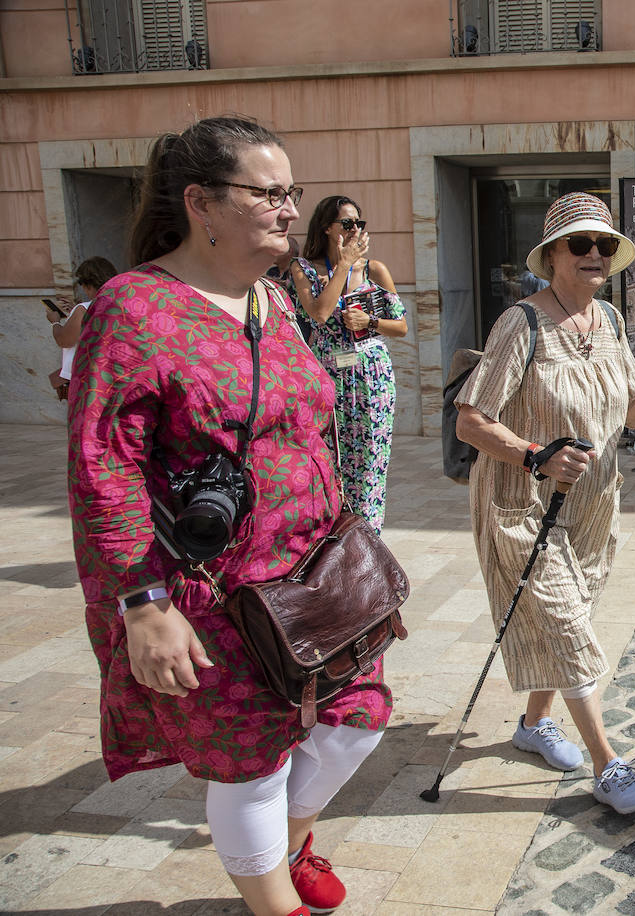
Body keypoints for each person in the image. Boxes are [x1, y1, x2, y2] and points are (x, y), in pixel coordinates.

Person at [67, 116, 388, 916]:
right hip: (211, 590)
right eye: (269, 193)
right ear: (201, 203)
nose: (289, 209)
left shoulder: (273, 301)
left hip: (315, 574)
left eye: (292, 193)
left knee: (357, 722)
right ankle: (273, 902)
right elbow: (102, 469)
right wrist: (141, 605)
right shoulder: (136, 307)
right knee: (252, 761)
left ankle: (288, 846)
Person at [455, 192, 635, 814]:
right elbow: (471, 422)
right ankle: (606, 764)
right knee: (567, 626)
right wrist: (535, 454)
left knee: (568, 620)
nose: (595, 255)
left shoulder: (611, 322)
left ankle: (534, 727)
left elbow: (630, 412)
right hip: (521, 504)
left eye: (605, 245)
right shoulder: (523, 323)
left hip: (592, 503)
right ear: (553, 256)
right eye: (581, 244)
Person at [290, 196, 407, 534]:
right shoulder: (304, 268)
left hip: (372, 378)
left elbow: (400, 326)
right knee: (329, 462)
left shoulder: (375, 270)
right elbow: (321, 313)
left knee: (370, 463)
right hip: (327, 375)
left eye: (359, 223)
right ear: (327, 227)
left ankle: (368, 544)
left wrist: (369, 321)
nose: (355, 229)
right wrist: (344, 264)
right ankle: (331, 541)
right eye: (347, 223)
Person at [47, 256, 117, 402]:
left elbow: (64, 340)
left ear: (88, 285)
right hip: (113, 376)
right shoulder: (120, 304)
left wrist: (55, 322)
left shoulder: (84, 309)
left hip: (87, 380)